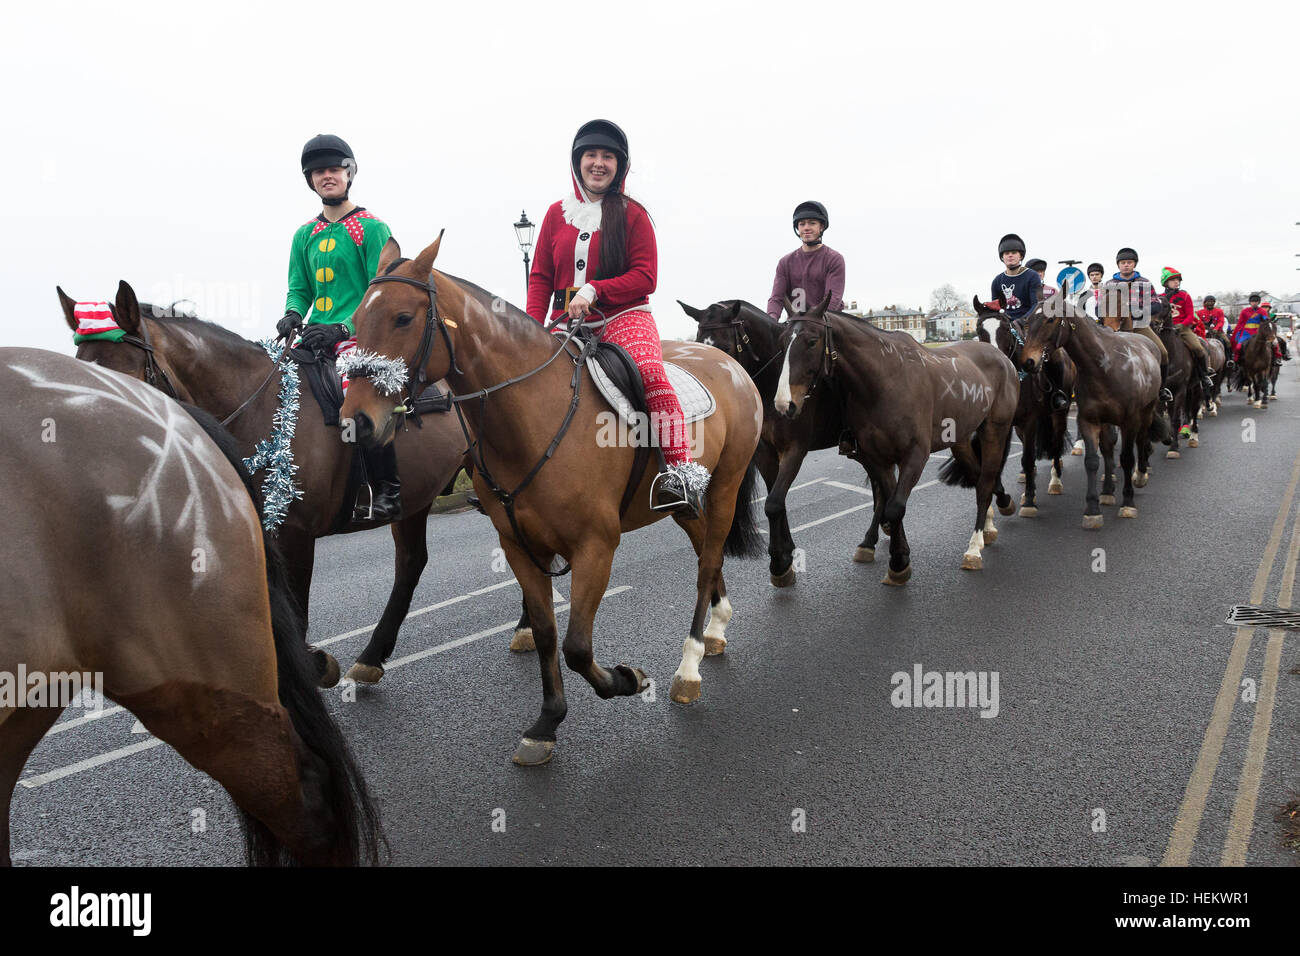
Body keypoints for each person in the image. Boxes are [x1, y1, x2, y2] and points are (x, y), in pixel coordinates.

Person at [526, 119, 709, 517]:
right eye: (590, 155)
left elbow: (646, 277)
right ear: (577, 162)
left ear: (619, 165)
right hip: (564, 321)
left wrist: (596, 289)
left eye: (607, 157)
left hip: (624, 315)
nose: (598, 163)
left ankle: (680, 473)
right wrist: (531, 326)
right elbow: (540, 276)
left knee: (649, 371)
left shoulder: (634, 215)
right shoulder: (556, 215)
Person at [275, 134, 402, 522]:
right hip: (314, 336)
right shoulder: (304, 235)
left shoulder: (371, 228)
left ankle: (386, 490)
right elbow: (299, 288)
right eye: (318, 172)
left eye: (334, 170)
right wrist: (293, 314)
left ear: (348, 174)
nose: (327, 177)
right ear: (310, 180)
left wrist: (344, 329)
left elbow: (377, 293)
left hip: (360, 339)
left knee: (361, 402)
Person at [989, 235, 1068, 409]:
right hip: (1005, 325)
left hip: (1030, 324)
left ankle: (1057, 392)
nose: (1010, 256)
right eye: (1007, 253)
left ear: (1021, 256)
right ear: (1002, 257)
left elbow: (1036, 304)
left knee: (1055, 354)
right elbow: (997, 306)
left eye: (1014, 253)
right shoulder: (997, 281)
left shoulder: (1031, 276)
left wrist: (1020, 322)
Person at [1100, 247, 1173, 404]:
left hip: (1139, 325)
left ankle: (1161, 389)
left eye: (1129, 262)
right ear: (1118, 265)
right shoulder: (1109, 284)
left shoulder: (1144, 283)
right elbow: (1101, 306)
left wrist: (1136, 311)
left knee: (1163, 353)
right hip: (1113, 326)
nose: (1126, 265)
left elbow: (1156, 306)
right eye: (1123, 263)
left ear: (1134, 264)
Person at [766, 201, 845, 319]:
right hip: (796, 325)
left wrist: (813, 321)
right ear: (797, 228)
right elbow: (777, 298)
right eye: (802, 224)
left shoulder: (833, 259)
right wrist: (771, 319)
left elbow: (833, 300)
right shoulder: (785, 262)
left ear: (821, 226)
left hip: (827, 322)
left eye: (812, 223)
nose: (806, 228)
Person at [1160, 267, 1216, 395]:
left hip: (1183, 329)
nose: (1176, 282)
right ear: (1165, 282)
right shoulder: (1160, 297)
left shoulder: (1185, 295)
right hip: (1164, 329)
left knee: (1198, 348)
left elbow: (1190, 316)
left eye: (1178, 280)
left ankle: (1204, 375)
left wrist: (1181, 325)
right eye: (1173, 280)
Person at [1196, 295, 1234, 370]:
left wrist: (1216, 329)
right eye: (1208, 302)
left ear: (1214, 302)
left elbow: (1221, 321)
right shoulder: (1199, 312)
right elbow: (1198, 322)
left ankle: (1229, 359)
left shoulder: (1219, 311)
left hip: (1217, 331)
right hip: (1204, 331)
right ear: (1205, 303)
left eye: (1212, 301)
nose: (1210, 303)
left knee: (1227, 341)